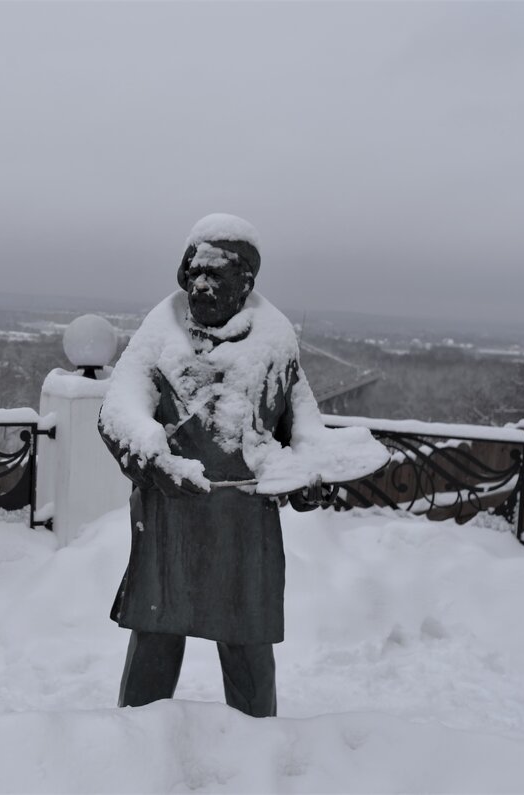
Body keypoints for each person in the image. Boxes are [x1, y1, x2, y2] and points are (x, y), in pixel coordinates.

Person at [98, 213, 386, 717]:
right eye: (195, 274)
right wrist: (153, 458)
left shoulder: (275, 343)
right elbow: (117, 410)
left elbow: (305, 431)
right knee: (155, 643)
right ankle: (136, 751)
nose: (202, 285)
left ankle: (259, 758)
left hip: (244, 530)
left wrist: (308, 479)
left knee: (248, 651)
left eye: (217, 275)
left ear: (246, 282)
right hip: (170, 522)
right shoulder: (161, 330)